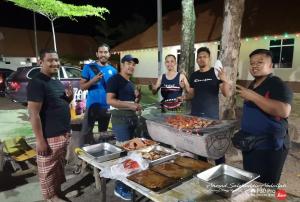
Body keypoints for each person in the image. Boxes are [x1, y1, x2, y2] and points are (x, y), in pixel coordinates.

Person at [236, 49, 293, 185]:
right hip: (250, 144)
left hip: (271, 147)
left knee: (265, 188)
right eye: (252, 63)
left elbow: (284, 111)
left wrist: (253, 96)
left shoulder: (277, 84)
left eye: (259, 62)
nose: (254, 65)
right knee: (252, 181)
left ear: (270, 65)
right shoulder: (253, 85)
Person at [27, 49, 73, 202]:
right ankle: (50, 198)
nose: (55, 63)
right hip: (49, 136)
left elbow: (57, 104)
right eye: (50, 60)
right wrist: (40, 141)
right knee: (47, 170)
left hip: (63, 133)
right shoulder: (37, 82)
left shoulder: (55, 81)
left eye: (57, 60)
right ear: (41, 62)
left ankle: (57, 192)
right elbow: (34, 114)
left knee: (58, 168)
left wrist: (69, 98)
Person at [182, 47, 231, 164]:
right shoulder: (194, 75)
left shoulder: (216, 72)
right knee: (200, 147)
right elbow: (191, 95)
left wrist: (225, 80)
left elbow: (226, 94)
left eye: (205, 56)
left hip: (211, 117)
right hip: (196, 117)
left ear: (209, 59)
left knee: (215, 146)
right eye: (199, 57)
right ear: (197, 60)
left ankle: (221, 168)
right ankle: (204, 169)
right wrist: (184, 91)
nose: (202, 59)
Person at [107, 54, 141, 200]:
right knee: (124, 154)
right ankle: (120, 187)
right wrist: (130, 104)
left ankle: (129, 184)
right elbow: (110, 100)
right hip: (120, 121)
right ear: (122, 64)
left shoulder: (131, 82)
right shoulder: (114, 79)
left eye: (133, 64)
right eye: (128, 63)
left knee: (133, 153)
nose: (131, 66)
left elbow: (131, 102)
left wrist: (137, 98)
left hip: (132, 120)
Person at [79, 43, 117, 145]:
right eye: (100, 52)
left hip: (106, 107)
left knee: (103, 134)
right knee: (86, 134)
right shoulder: (89, 67)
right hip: (91, 107)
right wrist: (93, 80)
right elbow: (82, 87)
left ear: (109, 54)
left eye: (105, 52)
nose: (103, 54)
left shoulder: (113, 71)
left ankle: (100, 154)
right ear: (97, 54)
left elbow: (115, 90)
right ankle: (83, 157)